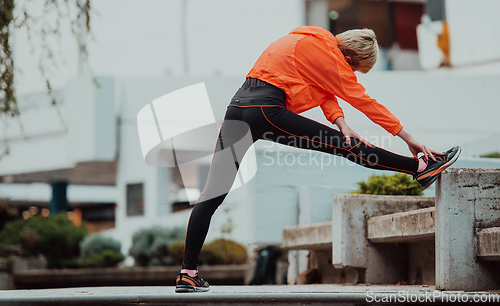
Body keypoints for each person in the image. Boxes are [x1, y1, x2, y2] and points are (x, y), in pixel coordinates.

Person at [174, 26, 460, 292]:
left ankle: (188, 273)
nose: (352, 74)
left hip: (236, 110)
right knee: (350, 147)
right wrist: (407, 136)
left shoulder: (311, 39)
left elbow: (323, 87)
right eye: (354, 68)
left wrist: (340, 121)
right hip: (267, 110)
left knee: (211, 193)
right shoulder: (333, 60)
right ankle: (419, 167)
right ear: (348, 57)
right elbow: (364, 101)